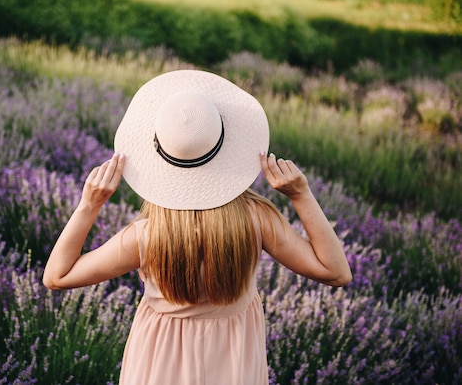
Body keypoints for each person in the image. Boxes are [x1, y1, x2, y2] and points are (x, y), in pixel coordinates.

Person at [43, 70, 352, 385]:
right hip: (233, 365)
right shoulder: (257, 219)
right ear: (226, 144)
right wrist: (301, 195)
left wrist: (89, 205)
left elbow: (57, 277)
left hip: (158, 364)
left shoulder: (148, 235)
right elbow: (336, 272)